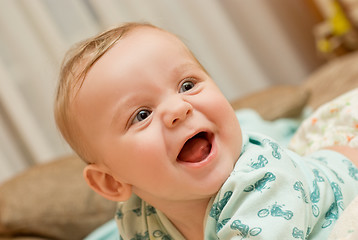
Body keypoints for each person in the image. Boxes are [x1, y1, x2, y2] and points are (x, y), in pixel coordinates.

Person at [54, 22, 358, 239]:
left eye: (187, 85)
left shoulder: (263, 180)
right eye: (142, 115)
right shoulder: (136, 219)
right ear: (110, 182)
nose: (178, 109)